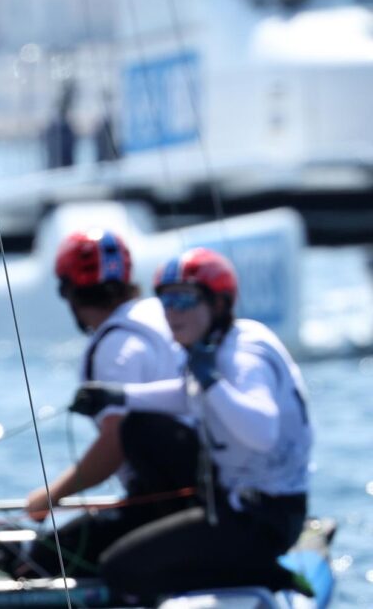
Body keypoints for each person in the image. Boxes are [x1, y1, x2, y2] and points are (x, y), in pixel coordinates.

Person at [69, 248, 314, 600]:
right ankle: (200, 546)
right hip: (234, 505)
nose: (172, 313)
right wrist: (118, 396)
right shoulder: (214, 344)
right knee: (140, 427)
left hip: (266, 520)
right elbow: (187, 395)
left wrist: (211, 381)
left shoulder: (243, 356)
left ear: (217, 303)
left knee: (121, 570)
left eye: (184, 300)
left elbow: (262, 432)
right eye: (166, 301)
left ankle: (266, 573)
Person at [17, 230, 195, 578]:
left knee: (42, 556)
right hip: (194, 485)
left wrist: (49, 498)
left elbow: (115, 444)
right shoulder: (156, 312)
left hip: (169, 505)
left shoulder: (114, 349)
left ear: (68, 292)